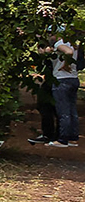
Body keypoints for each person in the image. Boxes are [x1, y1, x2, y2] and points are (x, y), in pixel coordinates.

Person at [37, 18, 78, 147]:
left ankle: (62, 140)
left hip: (61, 80)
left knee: (63, 110)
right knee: (71, 111)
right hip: (73, 79)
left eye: (51, 33)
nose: (50, 36)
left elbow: (68, 52)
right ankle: (72, 137)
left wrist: (65, 64)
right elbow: (43, 52)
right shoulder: (73, 44)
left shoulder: (59, 43)